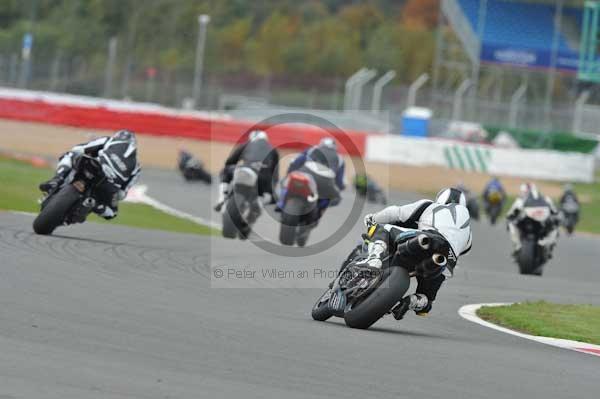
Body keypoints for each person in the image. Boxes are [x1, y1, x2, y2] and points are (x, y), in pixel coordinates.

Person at [356, 188, 472, 319]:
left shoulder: (430, 206)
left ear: (440, 199)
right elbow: (465, 250)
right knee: (427, 299)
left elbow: (396, 212)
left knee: (383, 229)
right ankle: (413, 302)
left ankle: (374, 259)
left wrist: (373, 218)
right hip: (446, 262)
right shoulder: (469, 235)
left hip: (429, 239)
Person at [39, 130, 141, 220]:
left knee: (70, 154)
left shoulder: (110, 140)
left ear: (117, 136)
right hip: (110, 184)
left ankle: (57, 179)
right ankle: (95, 205)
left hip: (97, 167)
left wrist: (90, 154)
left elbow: (79, 148)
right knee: (112, 214)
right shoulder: (137, 167)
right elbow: (122, 194)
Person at [214, 130, 280, 212]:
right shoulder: (273, 150)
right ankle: (259, 204)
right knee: (273, 198)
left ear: (251, 138)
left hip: (246, 170)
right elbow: (275, 174)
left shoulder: (247, 144)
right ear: (266, 139)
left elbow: (230, 161)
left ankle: (222, 197)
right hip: (264, 178)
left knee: (225, 171)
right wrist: (270, 190)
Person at [281, 137, 345, 217]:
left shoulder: (312, 149)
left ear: (321, 144)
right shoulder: (340, 158)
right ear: (335, 147)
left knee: (285, 183)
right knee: (333, 199)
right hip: (326, 181)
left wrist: (289, 174)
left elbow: (296, 162)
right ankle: (318, 213)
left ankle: (280, 205)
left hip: (307, 173)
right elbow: (339, 180)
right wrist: (340, 188)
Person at [506, 183, 559, 255]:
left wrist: (554, 217)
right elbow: (510, 213)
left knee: (554, 227)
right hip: (524, 224)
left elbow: (555, 211)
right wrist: (511, 217)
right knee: (511, 224)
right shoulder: (519, 201)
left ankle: (548, 247)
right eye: (524, 192)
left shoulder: (546, 199)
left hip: (541, 224)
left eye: (525, 192)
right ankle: (517, 246)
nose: (524, 194)